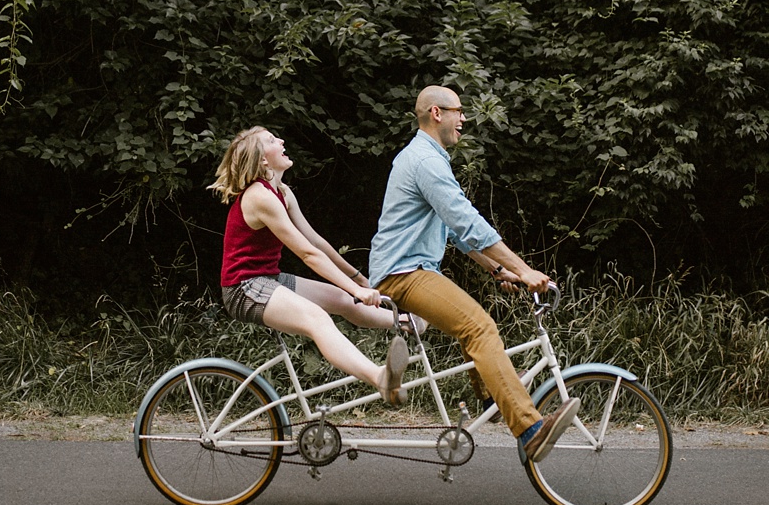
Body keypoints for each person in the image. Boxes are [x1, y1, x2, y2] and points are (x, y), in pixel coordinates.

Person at [368, 86, 579, 461]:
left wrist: (499, 269)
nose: (464, 119)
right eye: (459, 111)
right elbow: (467, 223)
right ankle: (530, 429)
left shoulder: (426, 157)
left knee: (474, 324)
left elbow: (454, 232)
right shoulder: (425, 161)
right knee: (478, 327)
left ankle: (488, 400)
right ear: (437, 113)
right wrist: (523, 269)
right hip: (403, 273)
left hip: (410, 269)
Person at [209, 126, 408, 405]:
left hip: (268, 279)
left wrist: (357, 280)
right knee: (317, 318)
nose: (281, 140)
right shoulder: (259, 196)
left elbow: (315, 242)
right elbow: (307, 254)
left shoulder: (283, 192)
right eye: (271, 140)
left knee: (343, 299)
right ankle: (380, 379)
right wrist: (357, 288)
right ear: (263, 159)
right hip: (244, 289)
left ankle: (407, 323)